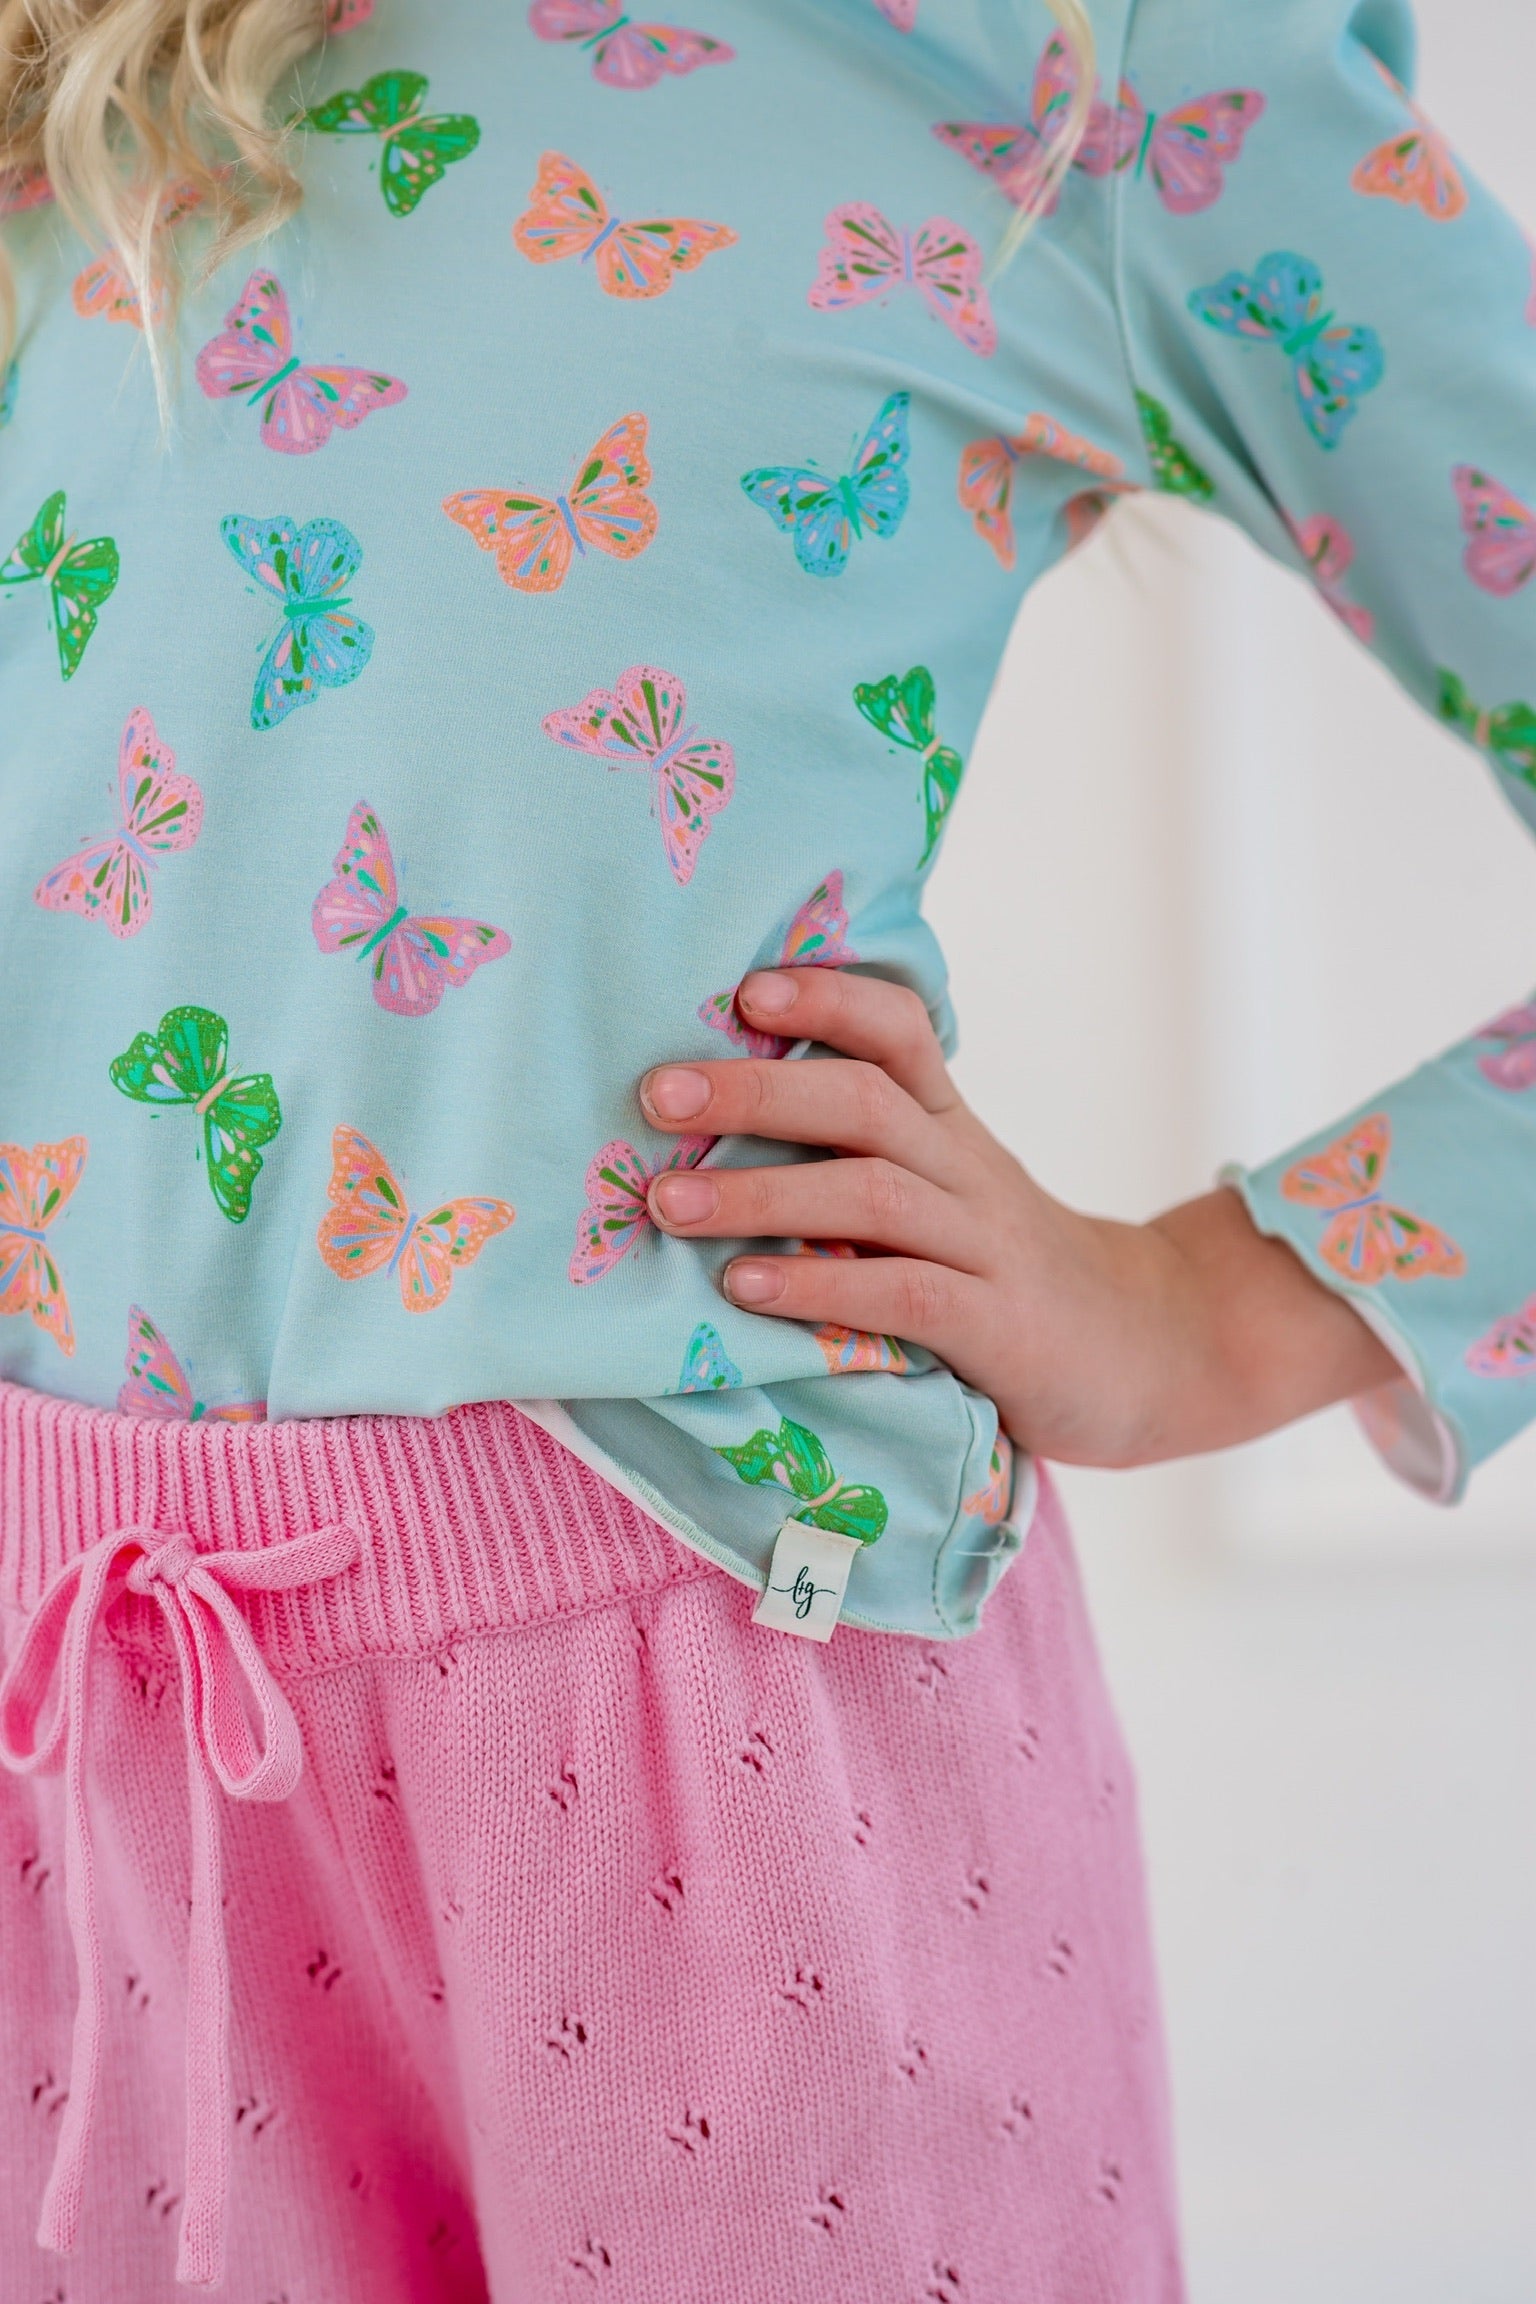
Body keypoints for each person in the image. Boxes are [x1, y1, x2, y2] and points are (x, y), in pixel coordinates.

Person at [0, 0, 1529, 2294]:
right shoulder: (110, 64)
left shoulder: (1097, 59)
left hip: (714, 1712)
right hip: (90, 1729)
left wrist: (1210, 1310)